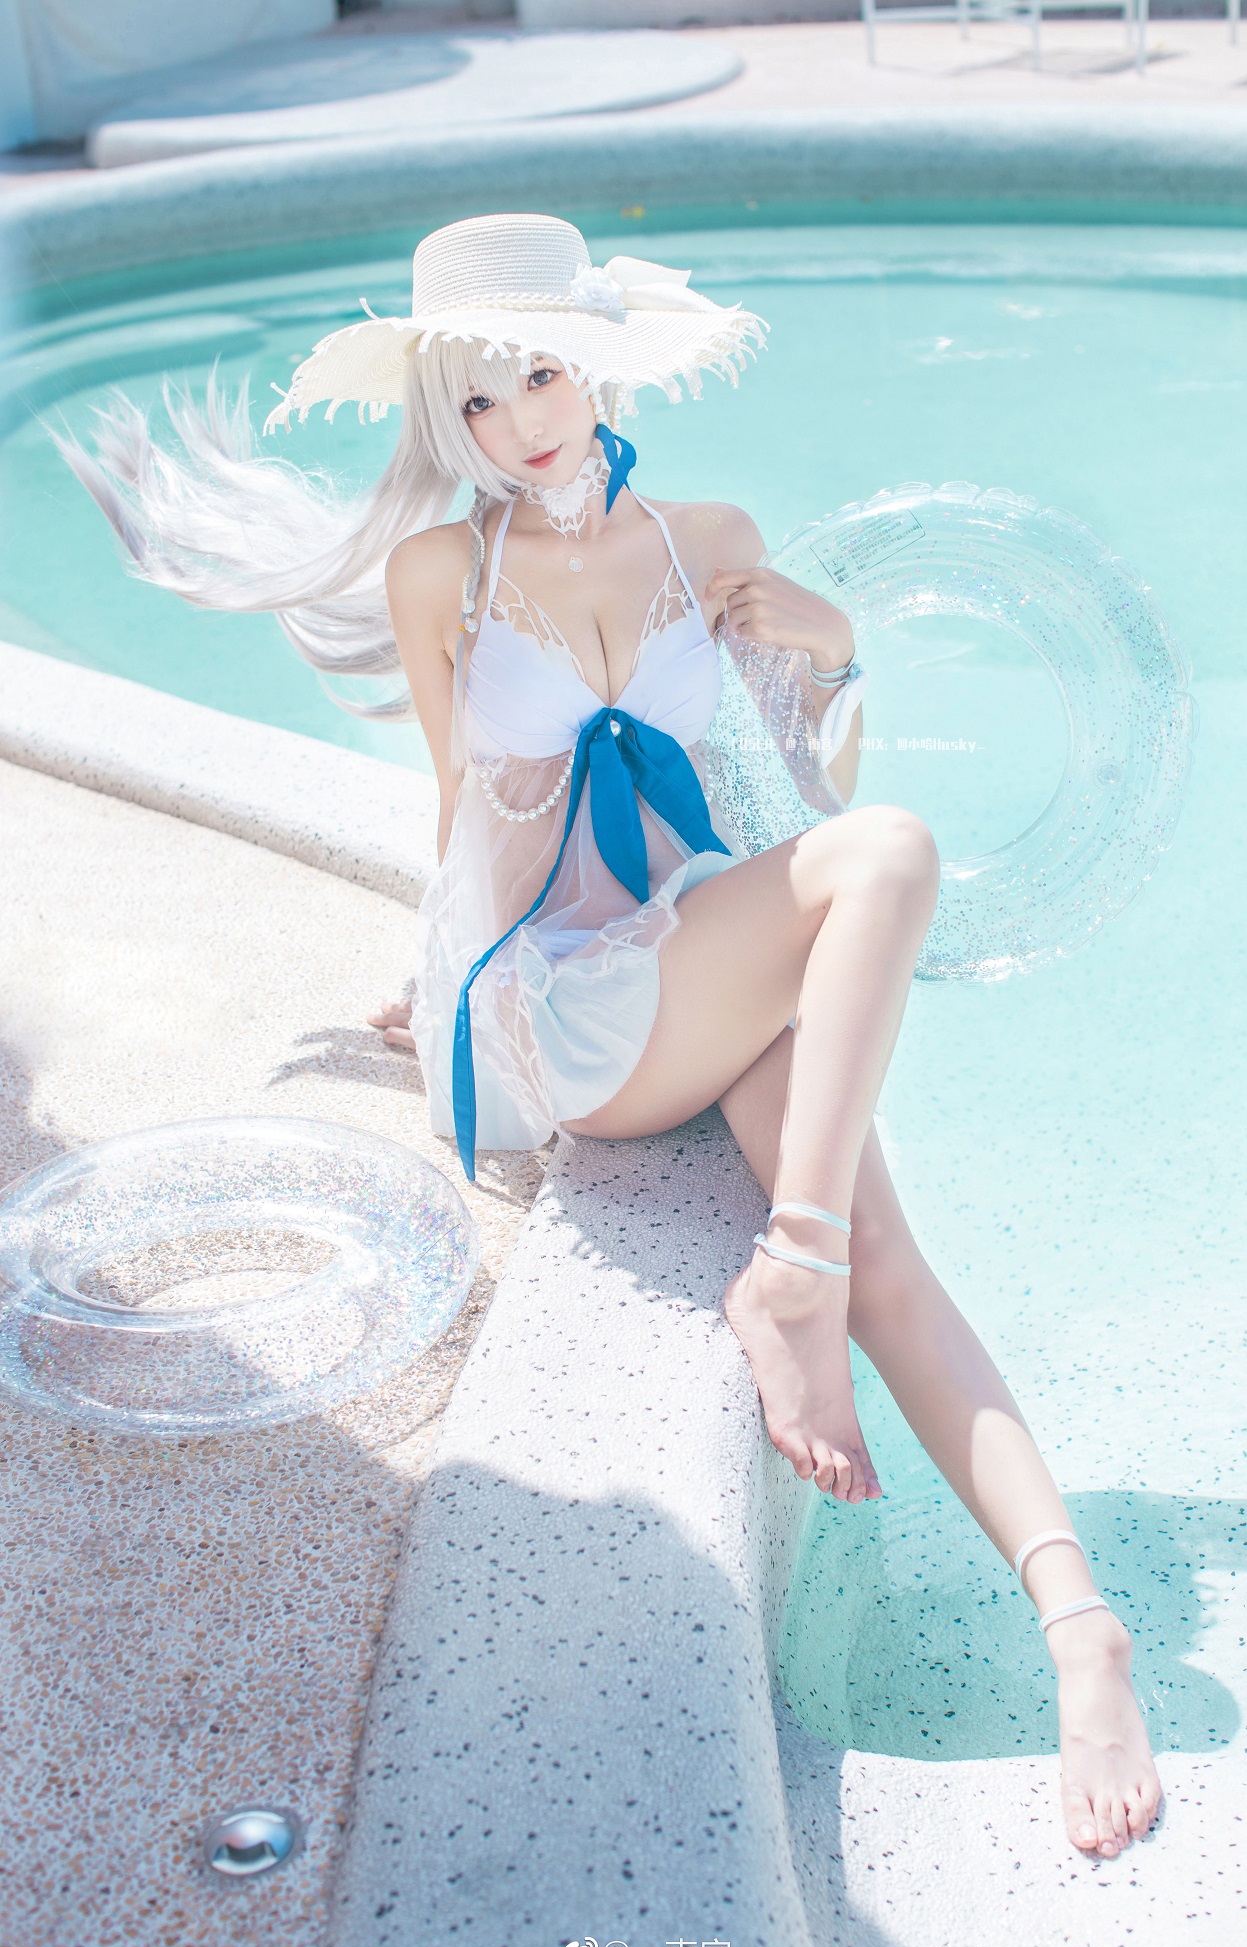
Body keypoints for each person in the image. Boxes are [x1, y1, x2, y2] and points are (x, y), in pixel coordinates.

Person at [63, 212, 1161, 1861]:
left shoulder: (707, 540)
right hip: (565, 998)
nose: (515, 423)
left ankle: (1083, 1630)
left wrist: (823, 637)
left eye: (537, 377)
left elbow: (819, 781)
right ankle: (792, 1270)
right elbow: (459, 816)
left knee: (890, 1250)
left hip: (693, 945)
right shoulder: (443, 571)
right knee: (889, 864)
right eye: (474, 401)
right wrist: (430, 991)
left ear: (598, 365)